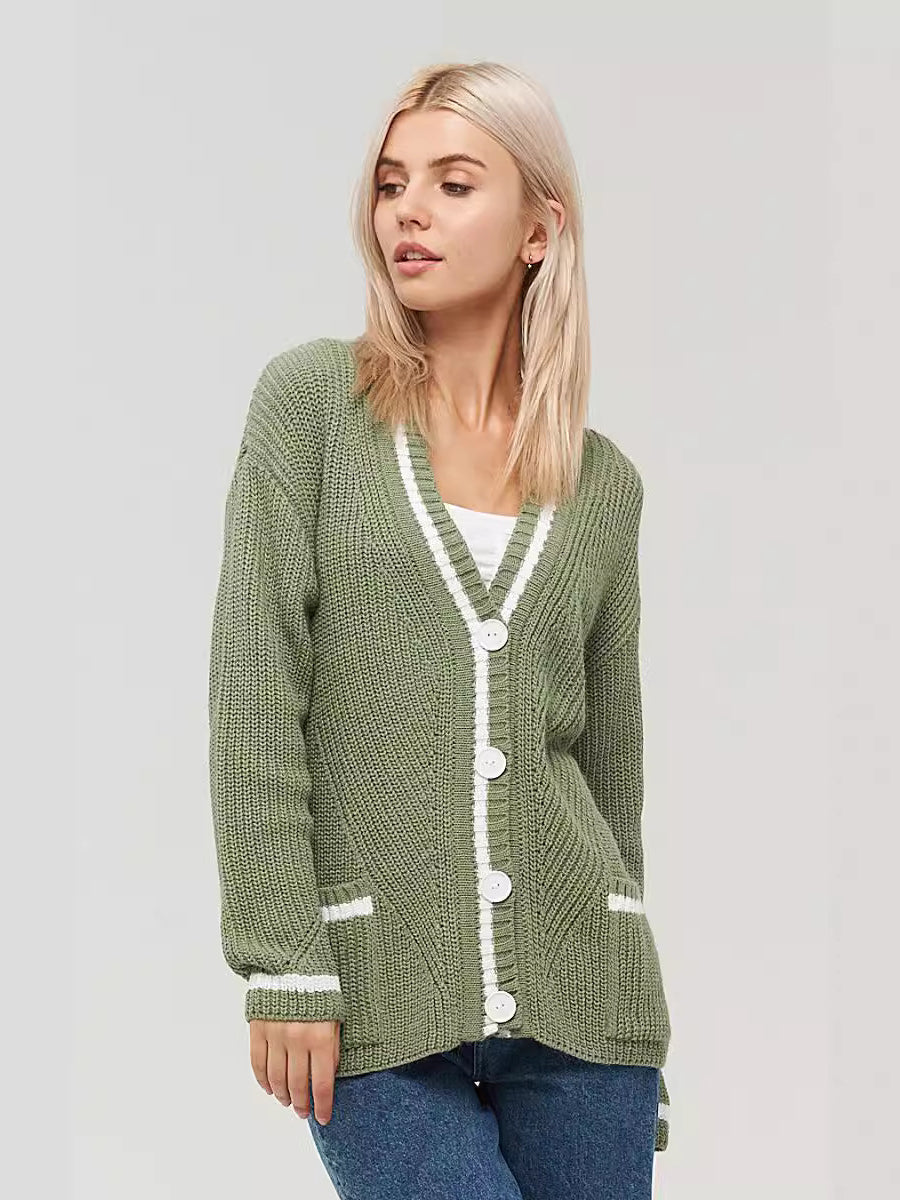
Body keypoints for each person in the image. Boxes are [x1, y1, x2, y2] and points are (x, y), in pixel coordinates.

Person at [208, 59, 672, 1200]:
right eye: (391, 183)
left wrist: (632, 1020)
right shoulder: (314, 408)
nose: (407, 211)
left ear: (538, 229)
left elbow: (610, 770)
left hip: (586, 1015)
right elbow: (255, 695)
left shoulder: (602, 484)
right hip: (372, 990)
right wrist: (283, 962)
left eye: (454, 184)